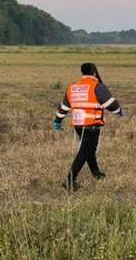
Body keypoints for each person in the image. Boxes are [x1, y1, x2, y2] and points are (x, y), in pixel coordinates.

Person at [53, 63, 123, 191]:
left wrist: (58, 120)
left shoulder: (73, 87)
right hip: (92, 124)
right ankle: (70, 180)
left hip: (78, 125)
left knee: (89, 149)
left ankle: (96, 173)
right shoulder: (97, 86)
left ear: (82, 72)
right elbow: (111, 104)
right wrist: (118, 111)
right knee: (85, 151)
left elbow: (64, 107)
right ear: (94, 72)